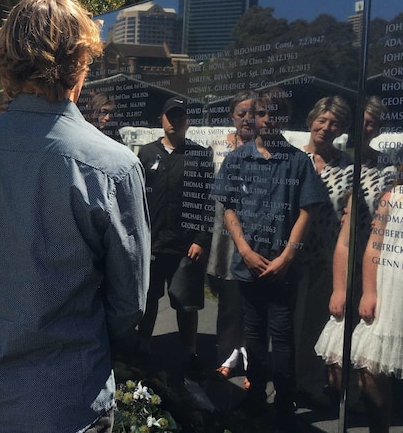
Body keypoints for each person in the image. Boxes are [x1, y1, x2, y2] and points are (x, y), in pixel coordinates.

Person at [0, 0, 151, 433]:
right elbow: (128, 301)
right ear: (81, 62)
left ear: (7, 65)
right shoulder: (113, 167)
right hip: (69, 400)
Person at [211, 87, 328, 431]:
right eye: (260, 113)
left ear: (284, 119)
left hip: (282, 269)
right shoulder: (237, 158)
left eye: (273, 114)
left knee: (283, 335)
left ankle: (284, 400)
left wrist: (288, 257)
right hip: (248, 267)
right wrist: (245, 251)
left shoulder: (297, 161)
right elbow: (229, 207)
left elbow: (306, 211)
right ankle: (256, 395)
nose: (265, 120)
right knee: (253, 335)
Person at [314, 97, 396, 409]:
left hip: (376, 259)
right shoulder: (339, 163)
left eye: (371, 122)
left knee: (367, 329)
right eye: (360, 120)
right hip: (336, 255)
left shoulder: (386, 169)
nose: (364, 127)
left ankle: (364, 396)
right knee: (333, 325)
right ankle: (336, 390)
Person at [136, 97, 213, 381]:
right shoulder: (145, 154)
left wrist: (201, 239)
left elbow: (208, 201)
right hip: (152, 242)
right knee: (148, 298)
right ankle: (143, 346)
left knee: (186, 302)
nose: (174, 121)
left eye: (180, 116)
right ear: (162, 119)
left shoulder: (200, 155)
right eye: (170, 115)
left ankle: (189, 352)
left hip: (186, 245)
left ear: (187, 121)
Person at [294, 96, 352, 404]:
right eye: (322, 120)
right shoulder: (292, 158)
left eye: (335, 123)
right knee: (286, 322)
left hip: (325, 256)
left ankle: (307, 384)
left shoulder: (347, 167)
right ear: (310, 120)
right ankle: (283, 380)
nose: (327, 127)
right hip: (290, 254)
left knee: (314, 323)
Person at [348, 164, 403, 433]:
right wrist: (369, 292)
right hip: (389, 289)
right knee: (371, 364)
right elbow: (374, 246)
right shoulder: (392, 197)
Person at [207, 90, 255, 387]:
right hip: (222, 236)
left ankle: (251, 361)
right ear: (232, 116)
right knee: (227, 300)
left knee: (252, 303)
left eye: (253, 113)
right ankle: (227, 356)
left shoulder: (266, 149)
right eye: (242, 113)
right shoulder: (215, 147)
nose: (247, 118)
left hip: (252, 236)